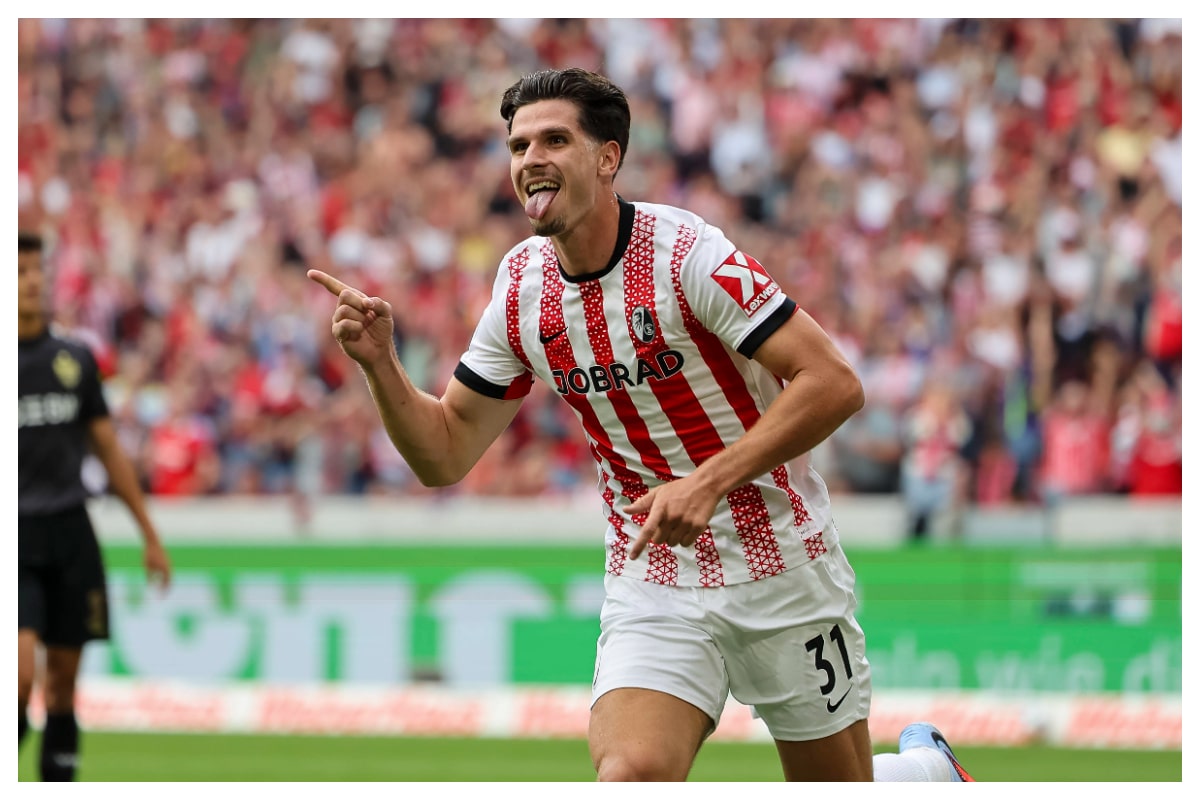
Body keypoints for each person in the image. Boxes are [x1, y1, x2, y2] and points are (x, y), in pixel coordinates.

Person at [309, 67, 973, 783]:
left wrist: (708, 483)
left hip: (782, 563)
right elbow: (443, 454)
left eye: (554, 139)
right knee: (629, 777)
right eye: (518, 144)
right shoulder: (520, 288)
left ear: (607, 157)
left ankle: (921, 776)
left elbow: (834, 383)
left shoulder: (689, 254)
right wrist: (381, 366)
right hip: (655, 575)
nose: (530, 158)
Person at [18, 231, 172, 781]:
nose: (31, 281)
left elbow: (107, 448)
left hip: (70, 532)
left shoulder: (74, 359)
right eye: (19, 272)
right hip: (15, 536)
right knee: (19, 677)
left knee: (63, 682)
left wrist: (149, 535)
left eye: (36, 270)